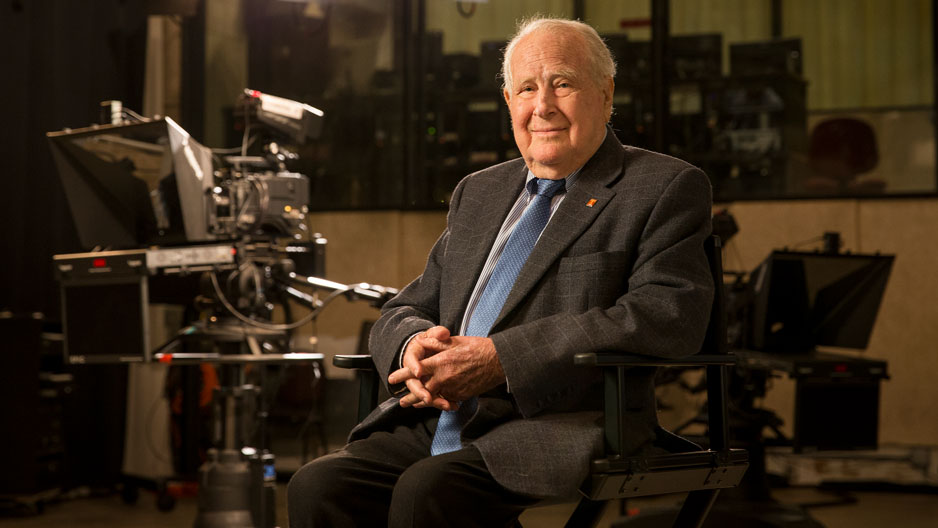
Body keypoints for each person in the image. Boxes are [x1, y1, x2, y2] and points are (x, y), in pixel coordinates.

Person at [287, 16, 714, 527]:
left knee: (429, 492)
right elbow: (409, 306)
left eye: (563, 83)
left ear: (606, 92)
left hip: (561, 420)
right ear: (509, 103)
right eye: (527, 88)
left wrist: (503, 359)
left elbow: (668, 313)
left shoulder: (664, 186)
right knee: (318, 485)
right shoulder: (480, 192)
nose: (543, 106)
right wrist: (413, 344)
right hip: (445, 415)